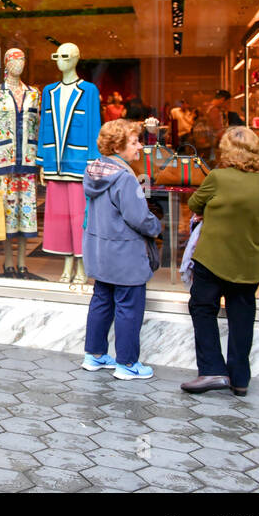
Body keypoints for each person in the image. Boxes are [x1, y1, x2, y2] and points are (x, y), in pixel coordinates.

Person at [181, 127, 259, 397]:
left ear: (227, 151)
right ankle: (240, 379)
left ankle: (211, 370)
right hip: (250, 262)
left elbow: (195, 203)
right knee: (242, 317)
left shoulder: (218, 178)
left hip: (214, 259)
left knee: (202, 308)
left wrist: (209, 211)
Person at [80, 119, 161, 381]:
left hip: (100, 251)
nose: (139, 147)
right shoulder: (124, 178)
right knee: (128, 307)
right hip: (125, 255)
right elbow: (139, 218)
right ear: (119, 146)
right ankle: (127, 364)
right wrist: (157, 225)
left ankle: (94, 355)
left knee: (101, 300)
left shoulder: (94, 171)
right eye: (134, 142)